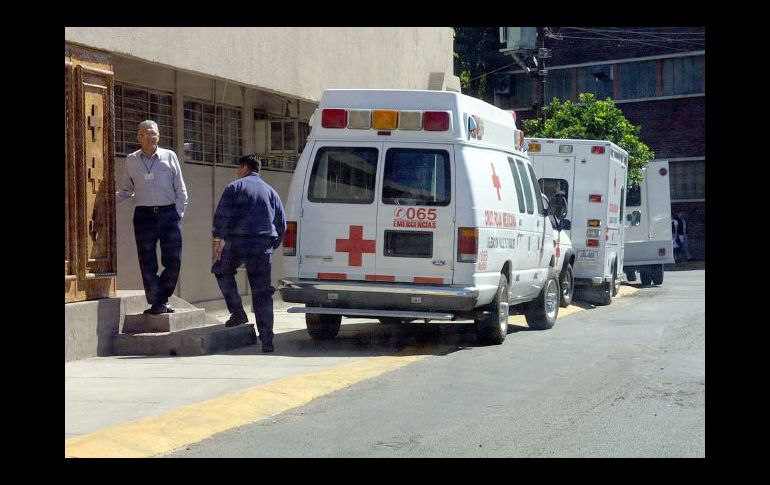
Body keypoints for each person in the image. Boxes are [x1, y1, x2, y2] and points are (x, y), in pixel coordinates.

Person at [212, 155, 286, 353]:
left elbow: (221, 215)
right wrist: (272, 245)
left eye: (239, 168)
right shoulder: (271, 192)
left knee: (221, 270)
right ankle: (267, 339)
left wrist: (217, 240)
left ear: (244, 168)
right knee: (262, 292)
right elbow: (281, 223)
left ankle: (237, 312)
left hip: (236, 243)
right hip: (262, 245)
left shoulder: (234, 187)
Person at [116, 120, 188, 314]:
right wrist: (106, 203)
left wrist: (177, 214)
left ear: (159, 136)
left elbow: (181, 189)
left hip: (168, 214)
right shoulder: (131, 160)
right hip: (144, 216)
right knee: (147, 261)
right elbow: (126, 190)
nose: (150, 136)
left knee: (174, 260)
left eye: (154, 133)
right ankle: (157, 302)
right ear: (139, 137)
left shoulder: (169, 156)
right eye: (146, 133)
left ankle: (163, 296)